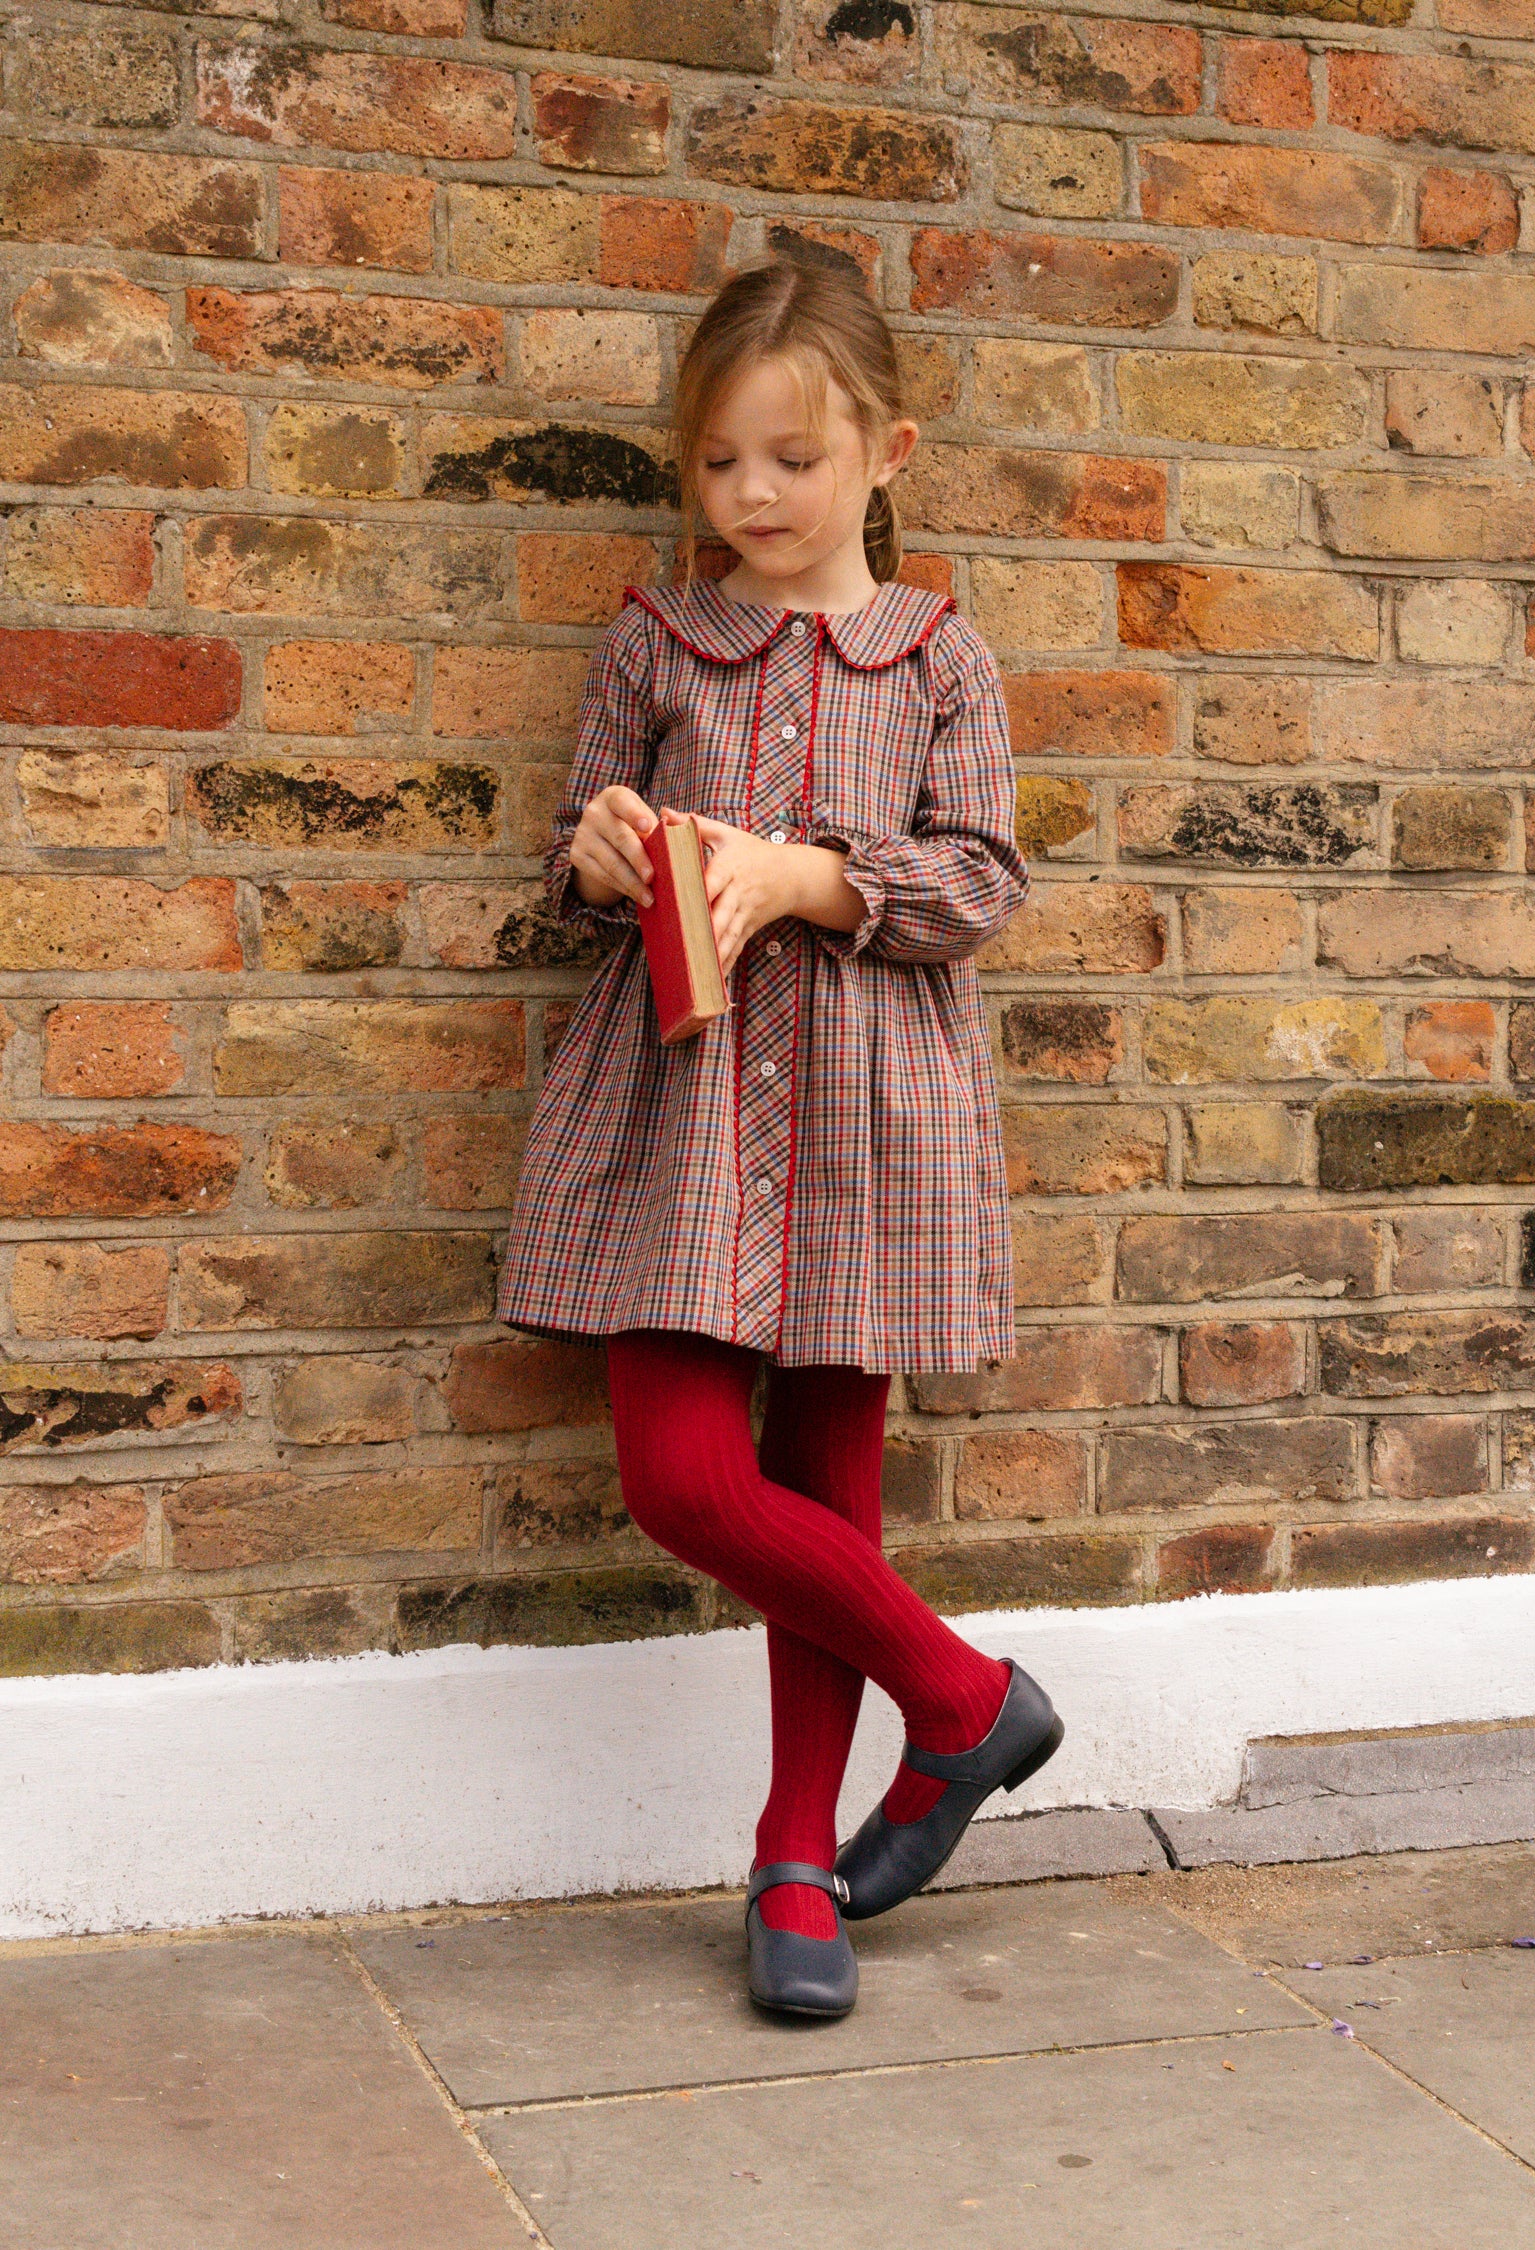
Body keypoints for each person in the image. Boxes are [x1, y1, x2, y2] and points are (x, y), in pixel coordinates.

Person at [498, 259, 1063, 2021]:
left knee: (828, 1482)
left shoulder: (940, 653)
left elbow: (984, 877)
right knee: (682, 1475)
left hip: (871, 1107)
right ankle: (966, 1702)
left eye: (793, 460)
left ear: (887, 452)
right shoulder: (654, 641)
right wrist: (603, 856)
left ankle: (795, 1856)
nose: (752, 494)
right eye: (720, 461)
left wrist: (812, 875)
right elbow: (578, 855)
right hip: (681, 1104)